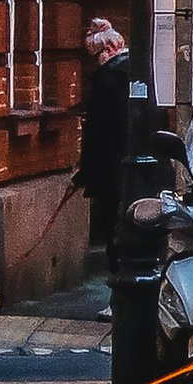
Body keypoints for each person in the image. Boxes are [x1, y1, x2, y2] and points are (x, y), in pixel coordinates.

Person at [74, 16, 134, 264]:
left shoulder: (107, 80)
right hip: (140, 171)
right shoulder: (139, 73)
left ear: (108, 49)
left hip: (112, 169)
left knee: (114, 229)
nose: (94, 62)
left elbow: (97, 131)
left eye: (95, 54)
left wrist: (84, 173)